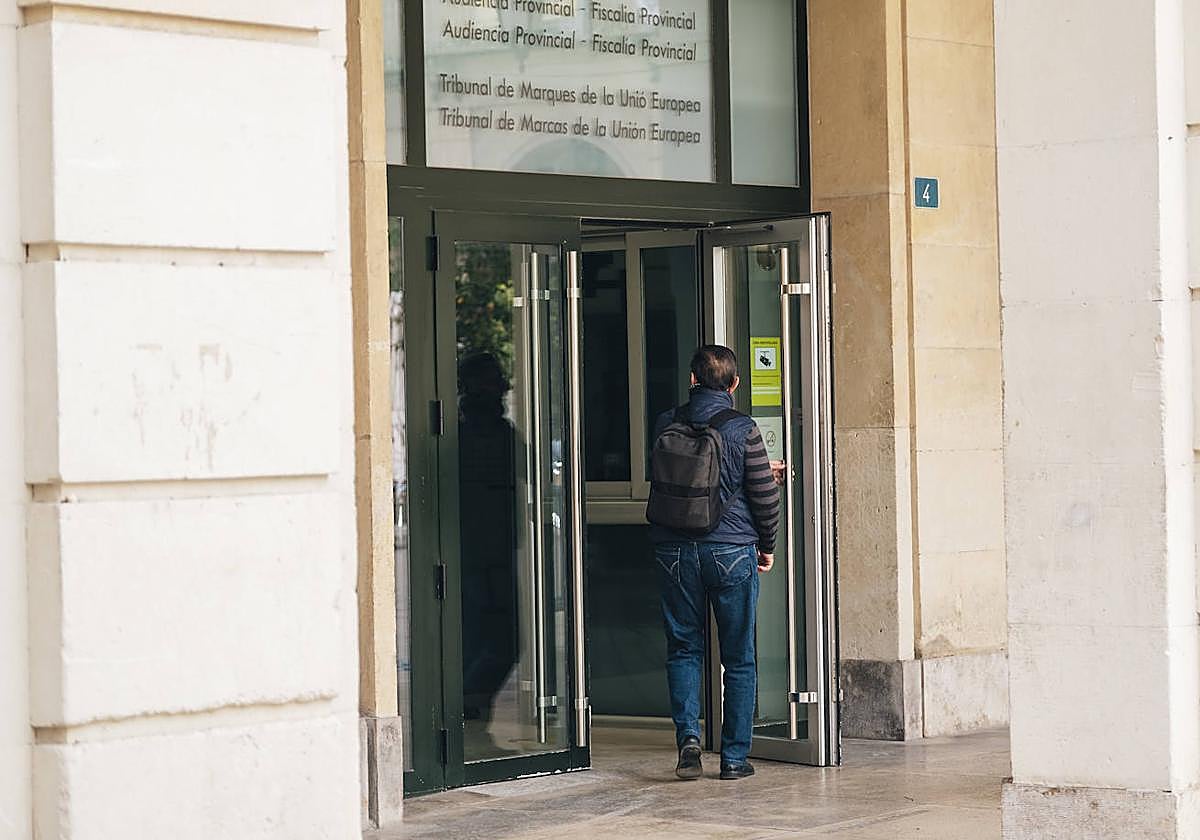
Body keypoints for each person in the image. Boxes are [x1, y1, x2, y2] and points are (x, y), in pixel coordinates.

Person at [650, 345, 780, 781]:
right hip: (730, 549)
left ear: (692, 379)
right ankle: (734, 758)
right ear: (734, 384)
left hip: (673, 550)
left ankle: (688, 741)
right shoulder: (743, 428)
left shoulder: (666, 423)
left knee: (683, 647)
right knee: (739, 657)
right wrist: (767, 545)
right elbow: (764, 498)